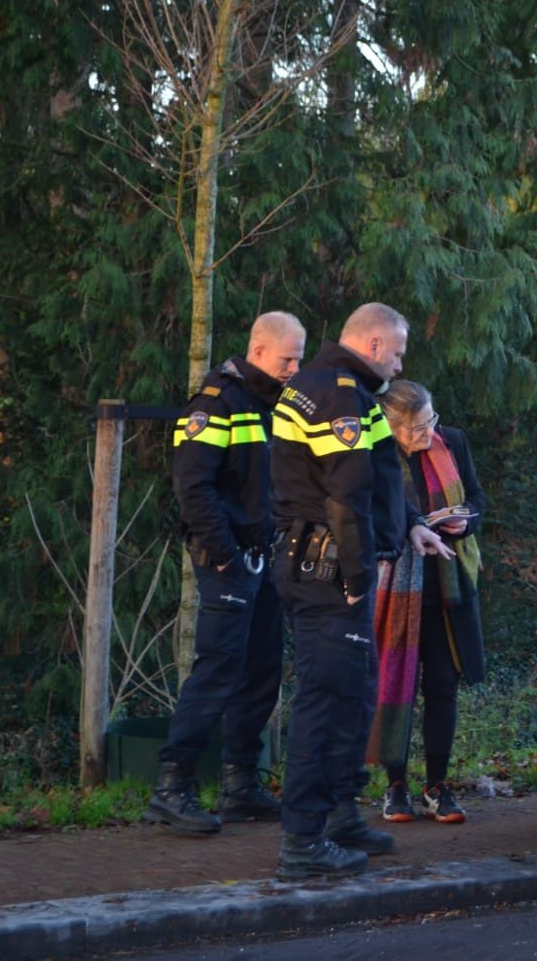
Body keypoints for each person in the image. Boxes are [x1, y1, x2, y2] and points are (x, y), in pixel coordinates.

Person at [269, 303, 448, 879]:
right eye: (396, 351)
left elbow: (375, 485)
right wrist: (355, 579)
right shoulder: (340, 394)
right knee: (328, 702)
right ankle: (303, 841)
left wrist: (410, 526)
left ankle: (341, 812)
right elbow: (345, 496)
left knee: (356, 693)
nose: (400, 362)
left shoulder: (326, 386)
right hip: (328, 573)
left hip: (321, 565)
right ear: (372, 345)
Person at [147, 311, 306, 835]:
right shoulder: (216, 402)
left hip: (265, 556)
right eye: (288, 358)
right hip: (228, 558)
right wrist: (221, 554)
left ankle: (241, 784)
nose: (295, 368)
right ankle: (172, 787)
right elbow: (193, 486)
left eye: (300, 358)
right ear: (258, 351)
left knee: (262, 671)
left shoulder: (276, 405)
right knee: (218, 669)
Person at [367, 380, 487, 825]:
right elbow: (371, 510)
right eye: (418, 427)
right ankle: (394, 785)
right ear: (393, 427)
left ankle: (437, 784)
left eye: (431, 420)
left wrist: (465, 520)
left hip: (448, 583)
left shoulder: (451, 441)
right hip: (395, 586)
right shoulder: (374, 450)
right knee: (393, 683)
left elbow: (476, 498)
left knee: (442, 685)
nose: (428, 432)